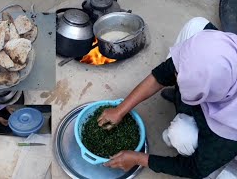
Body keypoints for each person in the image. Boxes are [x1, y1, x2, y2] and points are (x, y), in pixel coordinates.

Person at [98, 17, 237, 178]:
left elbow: (195, 169)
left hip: (228, 141)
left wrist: (138, 158)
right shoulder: (225, 54)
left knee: (180, 135)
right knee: (196, 25)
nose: (174, 75)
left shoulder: (229, 131)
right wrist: (120, 110)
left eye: (181, 77)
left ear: (209, 92)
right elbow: (164, 73)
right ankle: (187, 97)